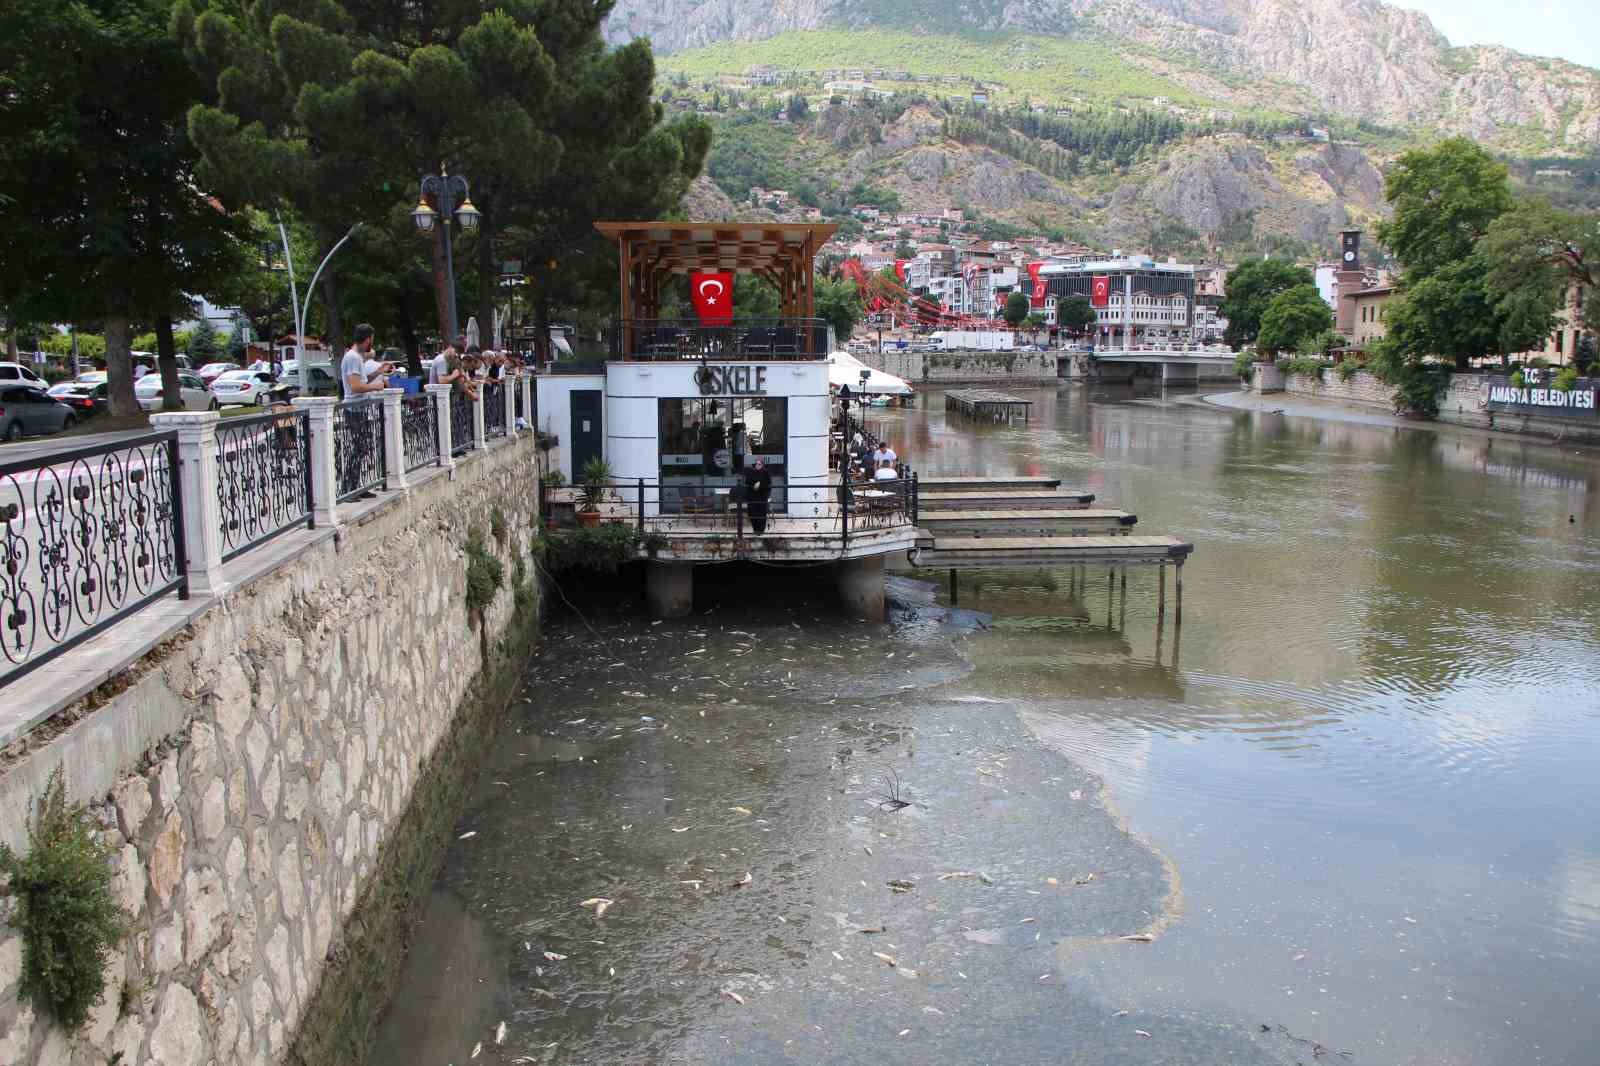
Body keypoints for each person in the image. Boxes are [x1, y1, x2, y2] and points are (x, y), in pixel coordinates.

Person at [341, 324, 389, 400]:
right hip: (354, 409)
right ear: (367, 340)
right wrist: (375, 386)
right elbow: (355, 387)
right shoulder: (353, 357)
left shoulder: (356, 356)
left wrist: (378, 372)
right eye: (372, 340)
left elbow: (362, 382)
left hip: (358, 409)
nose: (372, 344)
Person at [743, 458, 773, 534]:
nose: (757, 465)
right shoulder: (751, 472)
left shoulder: (766, 473)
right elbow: (747, 482)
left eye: (759, 464)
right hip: (752, 497)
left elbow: (768, 484)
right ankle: (755, 529)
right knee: (752, 513)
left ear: (762, 465)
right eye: (756, 464)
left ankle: (760, 530)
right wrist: (754, 485)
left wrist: (760, 483)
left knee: (761, 514)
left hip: (762, 496)